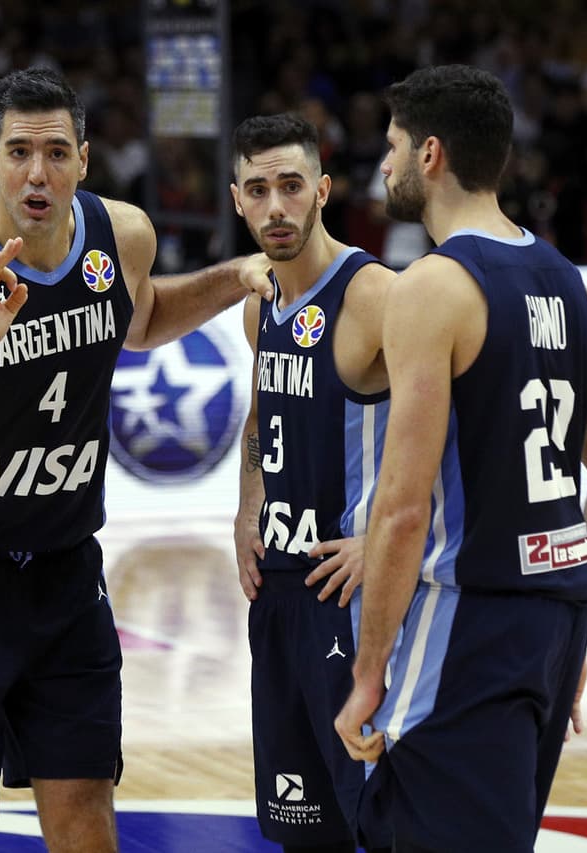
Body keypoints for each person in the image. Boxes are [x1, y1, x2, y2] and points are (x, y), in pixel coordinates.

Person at [0, 66, 259, 852]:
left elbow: (144, 316)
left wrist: (235, 278)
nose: (39, 173)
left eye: (57, 152)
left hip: (66, 570)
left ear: (85, 160)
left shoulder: (123, 235)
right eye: (21, 152)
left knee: (84, 811)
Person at [334, 65, 587, 852]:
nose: (384, 162)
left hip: (466, 624)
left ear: (431, 155)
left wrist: (369, 670)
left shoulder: (432, 287)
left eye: (395, 144)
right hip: (554, 619)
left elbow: (403, 509)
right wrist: (574, 629)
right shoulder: (565, 280)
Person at [230, 114, 393, 853]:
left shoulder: (372, 295)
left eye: (290, 186)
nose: (275, 207)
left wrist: (383, 542)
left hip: (351, 597)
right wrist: (245, 509)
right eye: (258, 189)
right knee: (301, 830)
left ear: (322, 191)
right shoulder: (256, 305)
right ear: (237, 200)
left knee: (382, 823)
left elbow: (460, 425)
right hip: (281, 592)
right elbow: (262, 415)